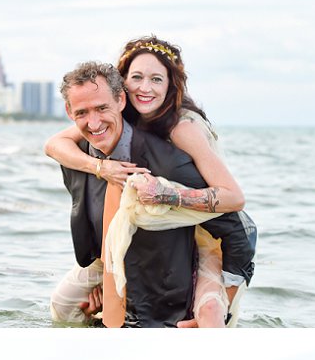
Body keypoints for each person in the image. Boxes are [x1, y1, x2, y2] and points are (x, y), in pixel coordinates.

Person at [46, 38, 256, 327]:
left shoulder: (183, 129)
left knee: (210, 313)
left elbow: (234, 201)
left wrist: (166, 196)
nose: (145, 88)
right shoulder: (109, 115)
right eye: (137, 78)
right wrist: (100, 167)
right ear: (123, 86)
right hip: (130, 244)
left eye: (156, 79)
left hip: (201, 229)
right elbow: (55, 143)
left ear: (171, 85)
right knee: (64, 305)